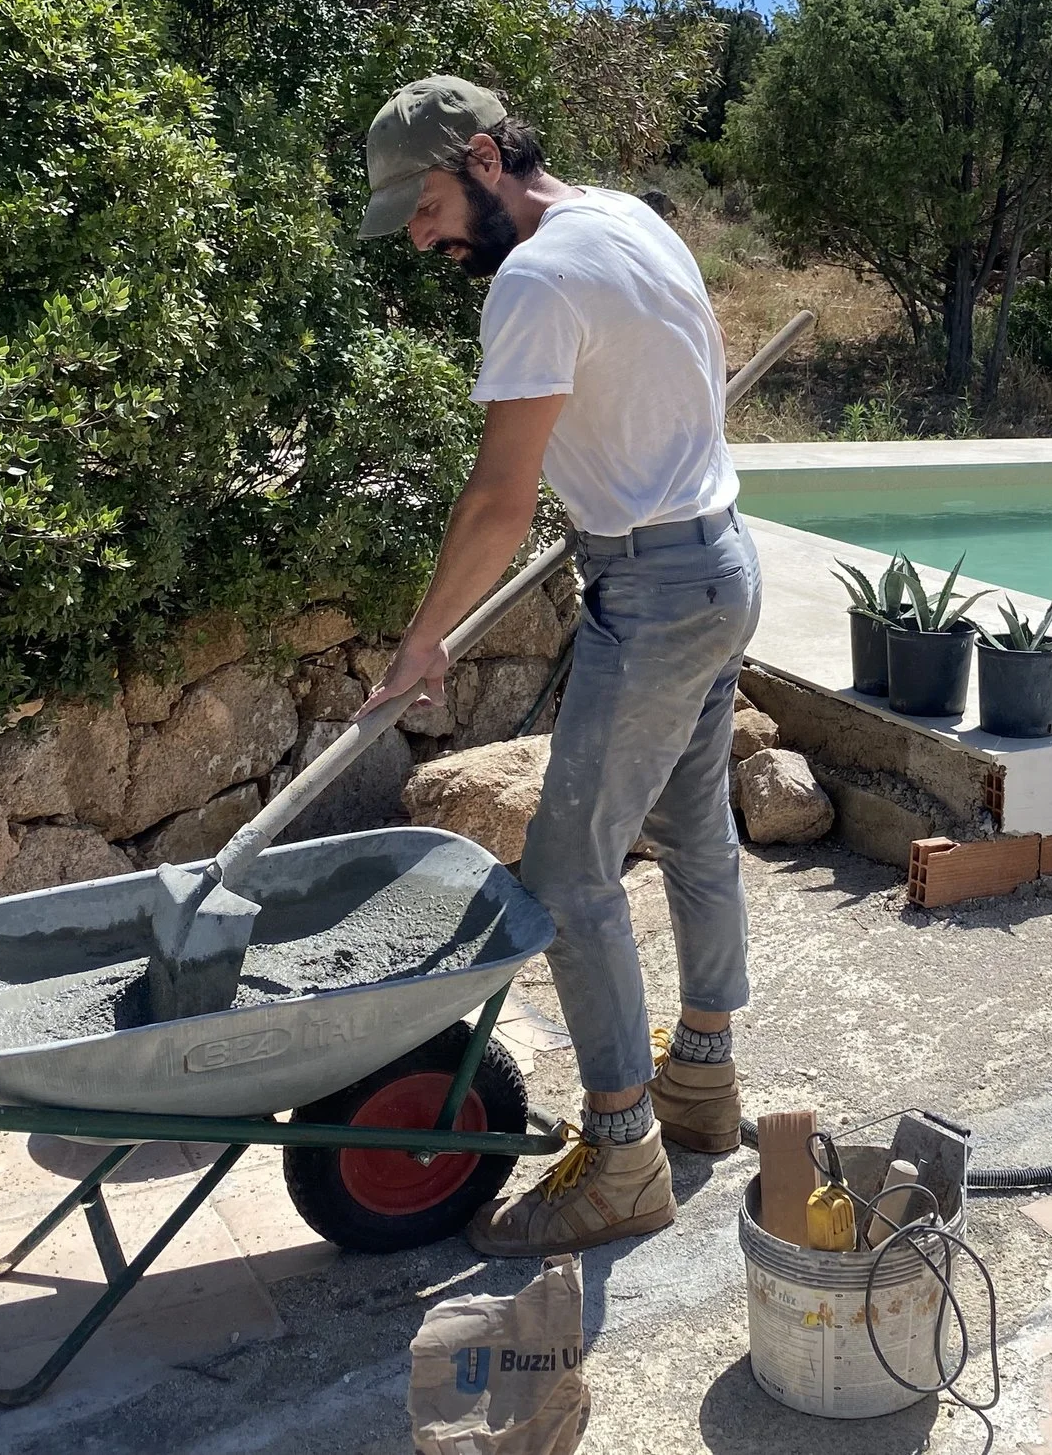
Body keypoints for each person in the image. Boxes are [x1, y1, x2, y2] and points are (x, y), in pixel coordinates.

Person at [353, 76, 756, 1255]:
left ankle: (624, 1155)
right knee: (694, 834)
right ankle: (702, 1084)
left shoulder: (532, 278)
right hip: (721, 561)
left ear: (481, 158)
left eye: (423, 206)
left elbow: (496, 497)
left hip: (656, 585)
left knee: (568, 878)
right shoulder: (632, 220)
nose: (420, 238)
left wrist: (423, 639)